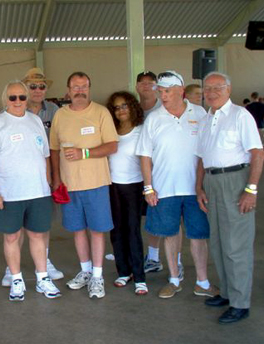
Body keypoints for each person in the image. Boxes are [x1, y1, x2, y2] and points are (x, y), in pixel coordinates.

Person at [136, 70, 218, 299]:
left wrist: (202, 186)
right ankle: (174, 279)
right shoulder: (154, 118)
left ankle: (202, 282)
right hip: (164, 189)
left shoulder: (200, 113)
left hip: (195, 189)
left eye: (168, 91)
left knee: (199, 236)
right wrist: (148, 187)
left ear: (181, 91)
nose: (163, 96)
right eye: (160, 91)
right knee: (170, 234)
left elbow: (205, 152)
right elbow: (145, 156)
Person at [0, 80, 61, 301]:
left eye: (22, 97)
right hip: (10, 194)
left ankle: (42, 278)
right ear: (5, 100)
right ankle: (16, 279)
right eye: (12, 97)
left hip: (38, 192)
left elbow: (45, 157)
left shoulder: (35, 121)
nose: (18, 102)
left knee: (37, 235)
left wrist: (48, 185)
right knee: (12, 237)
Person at [196, 72, 264, 324]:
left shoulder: (240, 115)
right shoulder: (206, 119)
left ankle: (240, 303)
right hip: (212, 182)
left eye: (217, 88)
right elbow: (202, 158)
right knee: (219, 242)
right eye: (208, 88)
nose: (211, 92)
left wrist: (251, 189)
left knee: (236, 246)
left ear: (228, 89)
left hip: (235, 180)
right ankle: (226, 293)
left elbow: (257, 152)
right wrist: (199, 188)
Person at [50, 72, 118, 299]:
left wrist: (84, 152)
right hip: (70, 185)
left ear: (89, 88)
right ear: (68, 90)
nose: (80, 90)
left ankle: (98, 276)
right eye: (75, 87)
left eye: (84, 86)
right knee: (78, 230)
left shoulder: (101, 112)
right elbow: (54, 150)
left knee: (97, 231)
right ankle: (86, 271)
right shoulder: (60, 115)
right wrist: (56, 179)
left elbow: (112, 146)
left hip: (97, 183)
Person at [0, 68, 64, 287]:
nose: (37, 90)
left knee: (40, 226)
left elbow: (56, 146)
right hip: (16, 181)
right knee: (15, 229)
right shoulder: (9, 112)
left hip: (43, 175)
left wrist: (54, 178)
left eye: (41, 86)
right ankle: (12, 267)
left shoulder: (54, 111)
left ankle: (44, 262)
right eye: (32, 86)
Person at [135, 71, 185, 277]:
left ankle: (177, 263)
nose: (146, 86)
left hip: (162, 174)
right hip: (135, 174)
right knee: (149, 218)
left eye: (151, 83)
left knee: (170, 218)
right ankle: (153, 257)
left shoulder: (164, 108)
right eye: (142, 83)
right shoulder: (132, 109)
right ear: (137, 86)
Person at [106, 91, 147, 295]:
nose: (121, 110)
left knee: (133, 230)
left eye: (124, 105)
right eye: (116, 107)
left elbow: (148, 161)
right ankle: (123, 272)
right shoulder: (110, 130)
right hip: (112, 186)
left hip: (134, 186)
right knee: (116, 231)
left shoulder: (142, 130)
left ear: (132, 106)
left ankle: (139, 276)